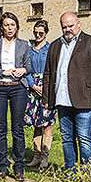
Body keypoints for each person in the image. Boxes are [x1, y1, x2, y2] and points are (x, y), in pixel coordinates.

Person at [42, 11, 91, 174]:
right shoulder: (55, 45)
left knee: (84, 138)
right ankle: (71, 172)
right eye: (64, 27)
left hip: (84, 100)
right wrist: (47, 98)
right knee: (67, 139)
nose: (67, 30)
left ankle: (88, 174)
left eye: (70, 26)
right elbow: (48, 73)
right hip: (62, 100)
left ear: (78, 24)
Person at [0, 12, 31, 182]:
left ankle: (19, 167)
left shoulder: (24, 44)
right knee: (0, 128)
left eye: (12, 25)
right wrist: (2, 72)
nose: (10, 28)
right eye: (6, 25)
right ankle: (2, 166)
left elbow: (28, 66)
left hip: (18, 88)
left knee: (18, 128)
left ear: (17, 26)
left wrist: (23, 70)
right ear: (1, 27)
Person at [24, 20, 57, 168]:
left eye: (40, 33)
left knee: (47, 124)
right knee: (36, 124)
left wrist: (45, 86)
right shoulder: (29, 50)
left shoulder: (51, 49)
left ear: (46, 33)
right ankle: (36, 156)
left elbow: (54, 69)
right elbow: (25, 68)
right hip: (32, 88)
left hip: (47, 88)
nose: (37, 35)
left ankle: (45, 157)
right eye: (35, 33)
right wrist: (32, 85)